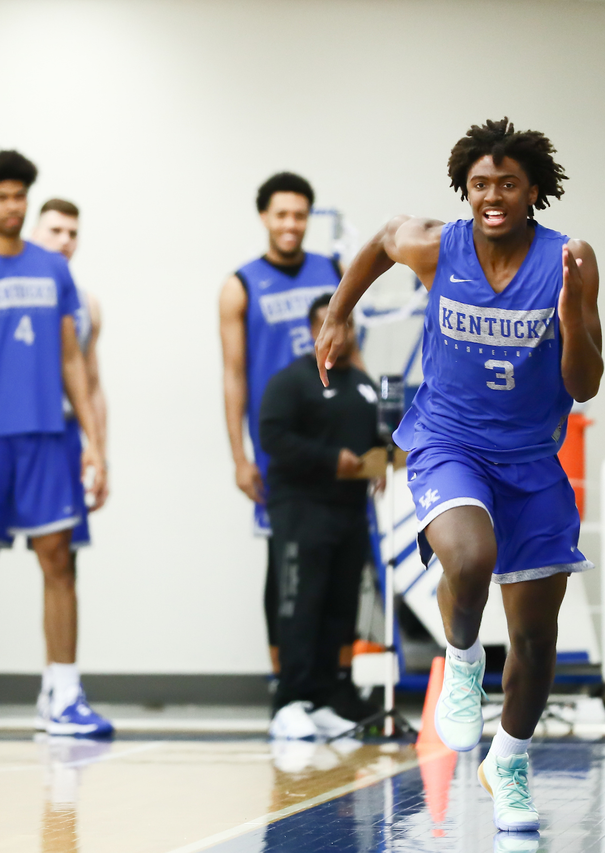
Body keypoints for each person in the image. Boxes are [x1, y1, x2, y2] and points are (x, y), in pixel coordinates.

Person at [315, 118, 602, 832]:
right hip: (449, 441)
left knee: (537, 641)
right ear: (464, 190)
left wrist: (572, 321)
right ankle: (465, 660)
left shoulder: (569, 259)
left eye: (507, 183)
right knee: (470, 557)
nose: (493, 196)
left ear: (532, 188)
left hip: (533, 460)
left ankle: (509, 760)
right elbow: (383, 239)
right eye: (480, 184)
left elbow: (586, 382)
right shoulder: (436, 246)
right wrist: (338, 315)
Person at [0, 151, 108, 739]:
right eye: (1, 196)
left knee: (59, 560)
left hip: (47, 438)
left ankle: (62, 694)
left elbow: (71, 361)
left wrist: (93, 442)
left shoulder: (54, 271)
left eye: (19, 195)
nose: (12, 206)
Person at [219, 173, 344, 680]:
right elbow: (233, 375)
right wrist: (239, 457)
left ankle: (333, 684)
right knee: (287, 563)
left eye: (299, 215)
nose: (291, 224)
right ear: (264, 217)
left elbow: (351, 351)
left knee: (340, 559)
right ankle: (286, 683)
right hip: (281, 445)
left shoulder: (333, 270)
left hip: (335, 439)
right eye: (281, 214)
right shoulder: (240, 285)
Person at [259, 294, 385, 740]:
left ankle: (323, 698)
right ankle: (289, 700)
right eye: (332, 324)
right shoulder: (292, 381)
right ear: (316, 329)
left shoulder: (363, 384)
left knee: (339, 605)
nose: (340, 333)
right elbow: (272, 438)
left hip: (349, 513)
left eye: (348, 325)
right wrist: (334, 460)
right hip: (302, 509)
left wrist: (381, 462)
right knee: (300, 604)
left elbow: (379, 436)